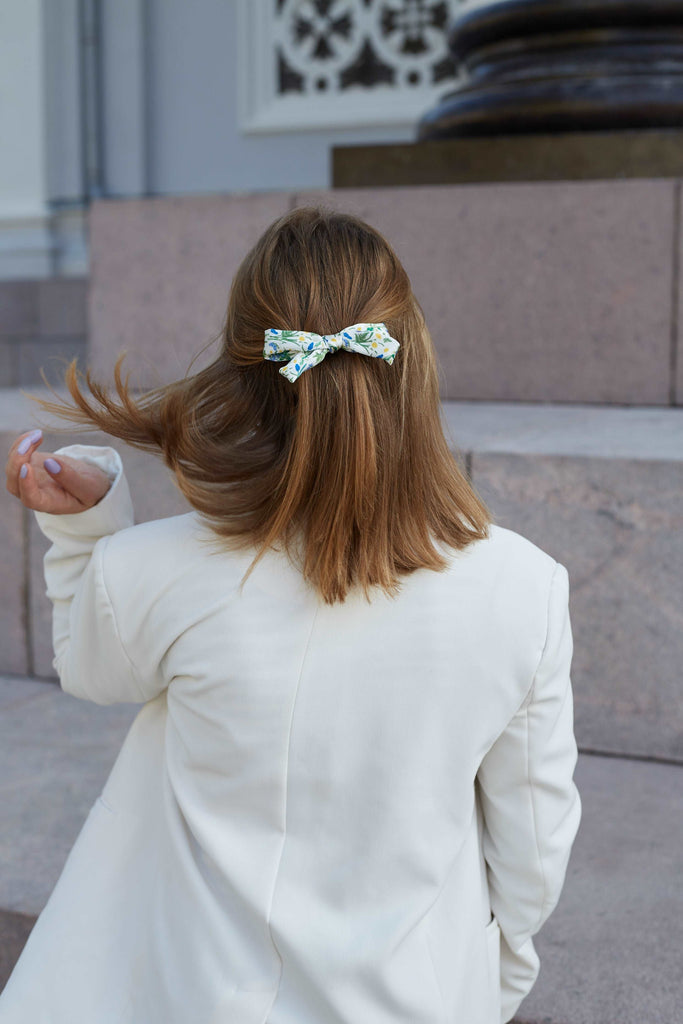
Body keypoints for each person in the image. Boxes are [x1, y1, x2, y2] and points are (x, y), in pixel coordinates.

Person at [2, 207, 581, 1024]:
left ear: (241, 371)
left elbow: (89, 667)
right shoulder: (524, 589)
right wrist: (494, 982)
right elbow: (532, 846)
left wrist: (83, 532)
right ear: (409, 359)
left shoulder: (155, 571)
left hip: (190, 995)